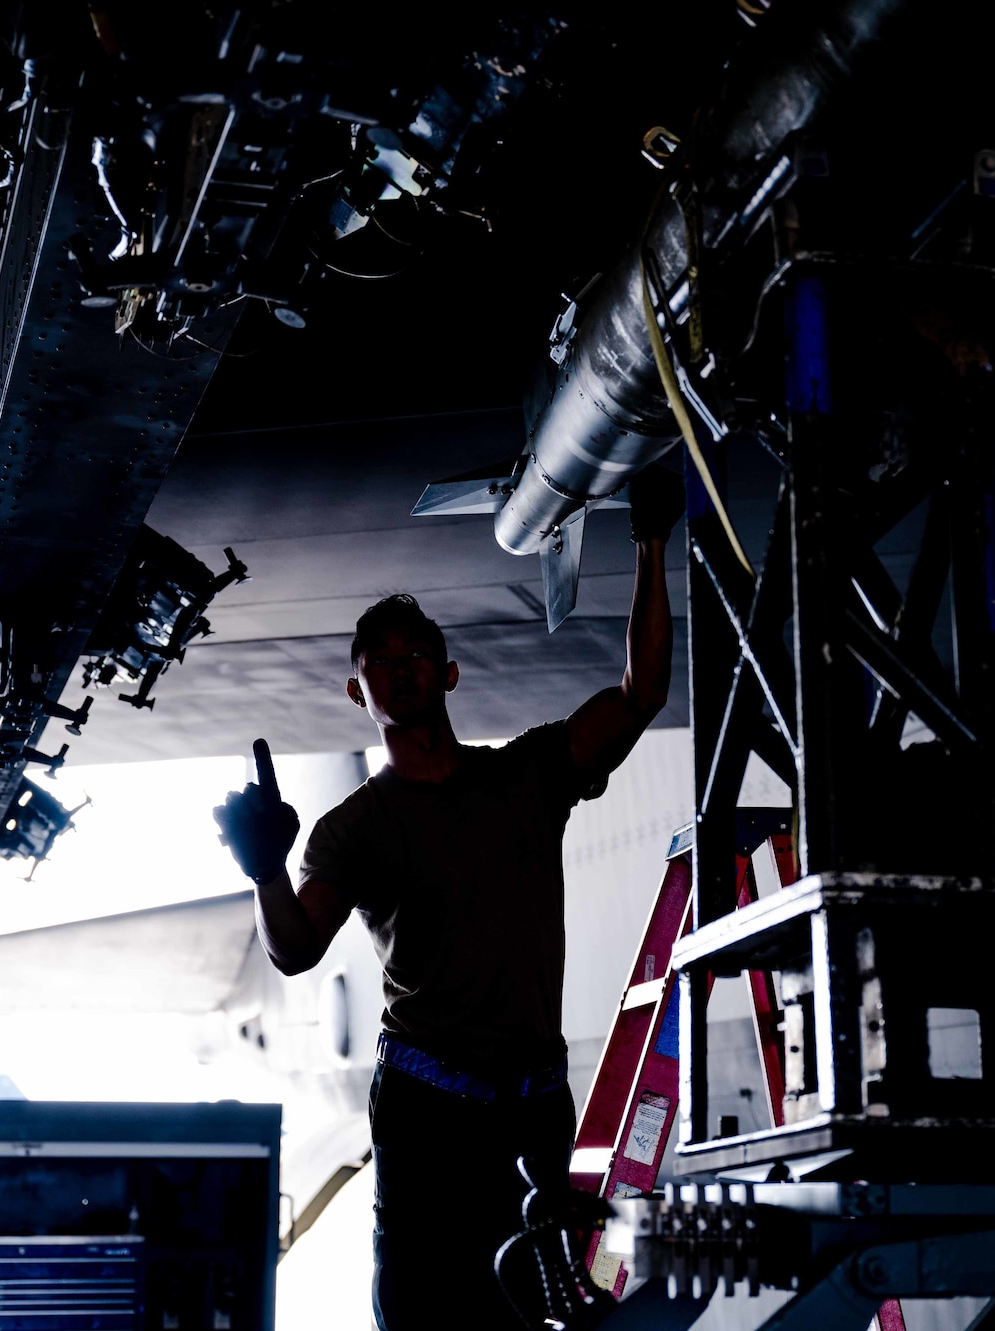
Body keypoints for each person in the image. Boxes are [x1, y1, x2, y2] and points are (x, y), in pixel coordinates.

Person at [216, 465, 682, 1330]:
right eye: (379, 664)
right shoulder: (351, 829)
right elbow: (294, 947)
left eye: (414, 655)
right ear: (359, 692)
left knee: (547, 1307)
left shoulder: (529, 773)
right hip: (429, 1112)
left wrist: (652, 543)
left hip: (538, 1101)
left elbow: (639, 695)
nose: (399, 670)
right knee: (429, 1315)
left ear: (450, 672)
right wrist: (265, 870)